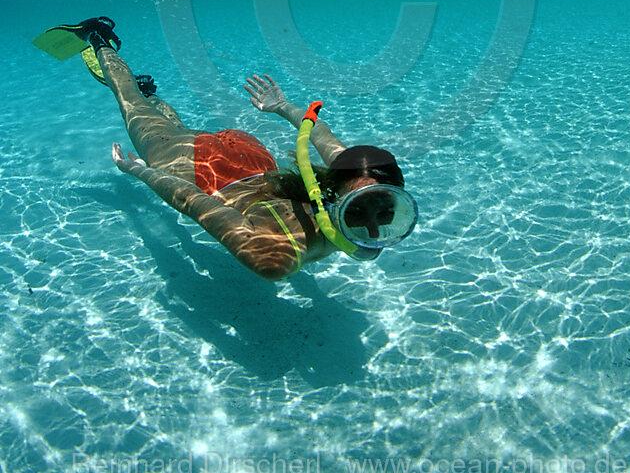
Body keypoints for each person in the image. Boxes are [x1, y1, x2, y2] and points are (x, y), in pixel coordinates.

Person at [63, 18, 418, 281]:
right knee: (131, 105)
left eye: (386, 213)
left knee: (175, 129)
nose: (373, 234)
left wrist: (282, 107)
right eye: (357, 213)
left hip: (248, 154)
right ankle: (99, 38)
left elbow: (318, 131)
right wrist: (141, 170)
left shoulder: (355, 174)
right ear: (334, 199)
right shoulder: (273, 258)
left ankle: (151, 94)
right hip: (202, 170)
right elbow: (192, 202)